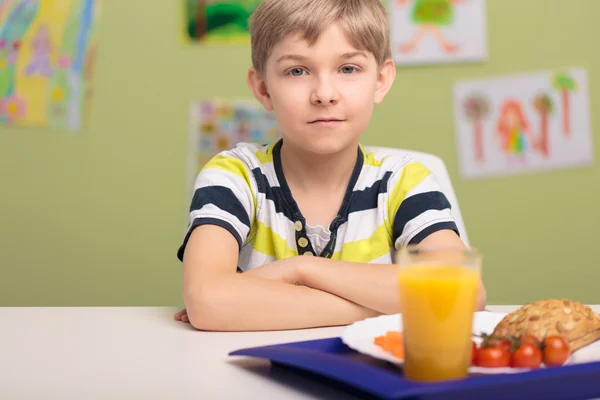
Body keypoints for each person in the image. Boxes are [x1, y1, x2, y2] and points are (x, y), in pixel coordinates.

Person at [174, 0, 487, 331]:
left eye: (348, 69)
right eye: (297, 71)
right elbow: (208, 302)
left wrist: (300, 270)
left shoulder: (405, 180)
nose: (324, 94)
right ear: (263, 88)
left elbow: (462, 291)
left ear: (381, 80)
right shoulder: (234, 176)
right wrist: (389, 307)